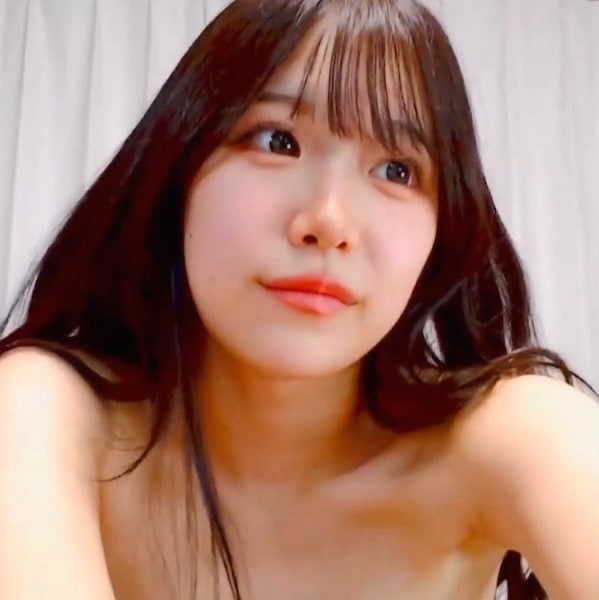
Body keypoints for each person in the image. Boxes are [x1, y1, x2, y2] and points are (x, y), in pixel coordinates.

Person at [0, 0, 597, 598]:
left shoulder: (513, 434)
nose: (329, 221)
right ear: (179, 164)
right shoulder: (43, 409)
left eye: (397, 171)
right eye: (277, 141)